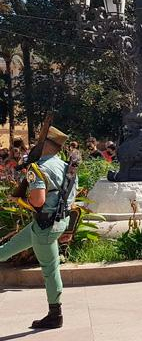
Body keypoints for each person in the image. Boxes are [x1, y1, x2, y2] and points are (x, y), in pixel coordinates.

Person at [0, 126, 78, 329]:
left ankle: (55, 315)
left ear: (44, 144)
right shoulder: (67, 167)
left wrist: (19, 198)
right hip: (57, 223)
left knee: (50, 270)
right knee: (7, 250)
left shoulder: (39, 168)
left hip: (44, 226)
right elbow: (71, 199)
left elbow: (38, 201)